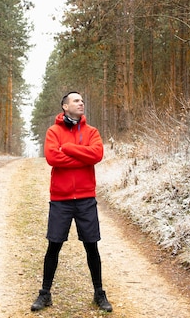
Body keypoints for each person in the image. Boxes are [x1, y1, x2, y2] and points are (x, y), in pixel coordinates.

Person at [30, 91, 113, 313]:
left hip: (86, 198)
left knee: (91, 246)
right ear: (65, 106)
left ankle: (99, 293)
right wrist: (81, 157)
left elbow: (96, 155)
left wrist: (67, 149)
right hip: (61, 199)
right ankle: (45, 293)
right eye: (76, 100)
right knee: (54, 245)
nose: (81, 103)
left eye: (82, 101)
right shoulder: (53, 131)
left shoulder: (92, 132)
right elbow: (52, 158)